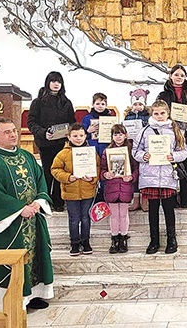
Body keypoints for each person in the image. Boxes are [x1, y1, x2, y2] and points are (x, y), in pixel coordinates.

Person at [0, 117, 54, 311]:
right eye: (7, 132)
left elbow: (40, 180)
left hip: (32, 217)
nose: (13, 134)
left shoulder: (26, 156)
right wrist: (19, 208)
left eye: (14, 130)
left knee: (35, 256)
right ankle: (10, 300)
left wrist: (39, 202)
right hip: (7, 224)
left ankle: (33, 294)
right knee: (9, 261)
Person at [133, 100, 187, 254]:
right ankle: (154, 240)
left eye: (162, 113)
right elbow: (135, 152)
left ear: (168, 113)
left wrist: (174, 156)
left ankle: (172, 239)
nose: (159, 116)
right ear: (151, 114)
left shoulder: (175, 130)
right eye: (156, 113)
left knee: (169, 209)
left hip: (167, 176)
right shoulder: (144, 131)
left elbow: (184, 151)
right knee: (152, 210)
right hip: (149, 176)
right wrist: (144, 155)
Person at [27, 71, 76, 212]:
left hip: (63, 144)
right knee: (48, 173)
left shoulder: (66, 102)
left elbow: (71, 121)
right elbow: (32, 122)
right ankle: (44, 201)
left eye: (59, 82)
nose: (56, 84)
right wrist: (43, 133)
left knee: (61, 173)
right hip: (46, 143)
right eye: (53, 81)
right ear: (48, 83)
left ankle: (59, 200)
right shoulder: (38, 102)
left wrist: (71, 131)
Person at [51, 123, 100, 256]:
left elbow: (97, 167)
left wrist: (92, 179)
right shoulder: (63, 154)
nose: (78, 138)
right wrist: (68, 177)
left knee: (85, 218)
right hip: (70, 192)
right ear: (69, 137)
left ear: (85, 136)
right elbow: (55, 170)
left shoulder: (91, 152)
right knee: (74, 219)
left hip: (87, 191)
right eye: (75, 136)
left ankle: (86, 242)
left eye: (81, 135)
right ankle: (74, 243)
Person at [157, 64, 187, 208]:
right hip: (169, 133)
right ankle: (171, 197)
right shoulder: (163, 95)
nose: (179, 78)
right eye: (176, 75)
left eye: (182, 75)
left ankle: (184, 198)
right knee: (171, 166)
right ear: (171, 76)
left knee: (186, 166)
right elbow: (157, 112)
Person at [100, 124, 138, 253]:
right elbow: (102, 169)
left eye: (120, 134)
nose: (118, 137)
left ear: (125, 135)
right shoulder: (107, 151)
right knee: (114, 215)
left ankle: (123, 238)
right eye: (115, 134)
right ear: (112, 136)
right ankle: (114, 238)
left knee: (124, 214)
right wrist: (105, 175)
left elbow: (136, 168)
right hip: (111, 187)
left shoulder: (131, 150)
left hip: (125, 186)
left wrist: (132, 177)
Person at [123, 88, 150, 212]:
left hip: (144, 148)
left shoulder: (148, 117)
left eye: (140, 104)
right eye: (135, 104)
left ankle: (145, 200)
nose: (138, 107)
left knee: (144, 174)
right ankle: (135, 200)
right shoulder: (128, 117)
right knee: (134, 173)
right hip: (131, 147)